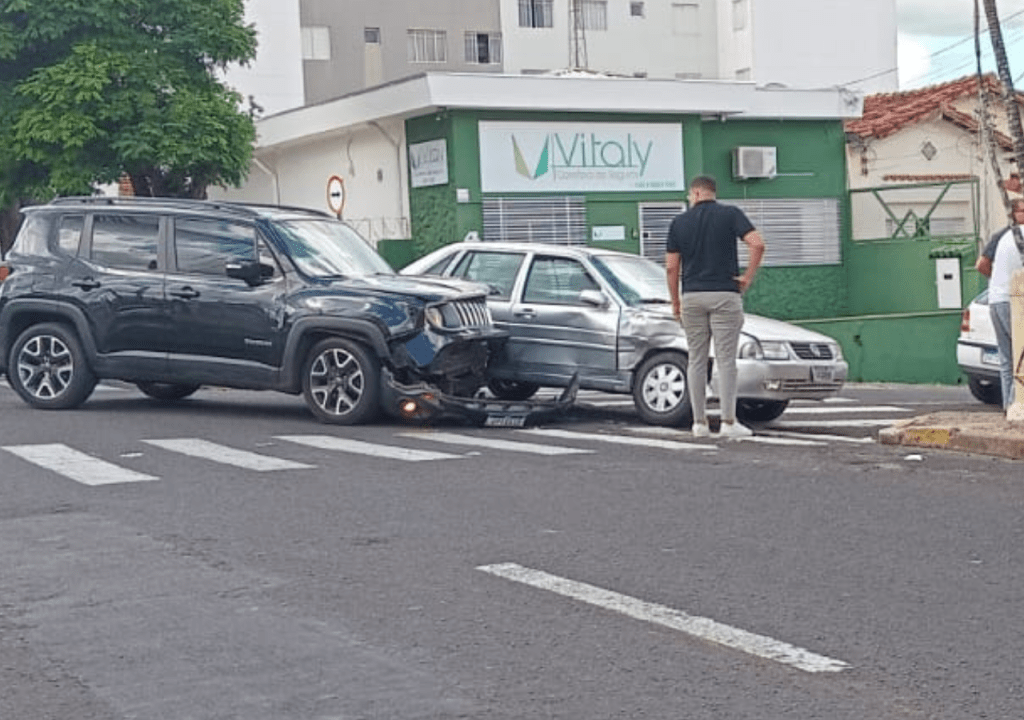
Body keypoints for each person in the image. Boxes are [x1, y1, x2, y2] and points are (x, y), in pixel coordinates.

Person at [665, 175, 766, 439]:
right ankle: (728, 422)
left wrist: (675, 302)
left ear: (697, 193)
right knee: (726, 360)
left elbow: (671, 267)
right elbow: (757, 243)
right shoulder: (730, 214)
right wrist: (747, 277)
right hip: (724, 294)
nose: (689, 198)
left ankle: (699, 423)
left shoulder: (678, 222)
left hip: (692, 296)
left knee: (696, 360)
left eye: (690, 194)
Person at [988, 201, 1024, 410]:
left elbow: (983, 264)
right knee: (1020, 356)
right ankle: (1015, 407)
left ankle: (1008, 407)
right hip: (1013, 301)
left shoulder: (1005, 235)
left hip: (995, 298)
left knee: (1007, 359)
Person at [976, 198, 1024, 277]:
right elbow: (982, 265)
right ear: (1013, 214)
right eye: (1023, 210)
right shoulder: (1002, 236)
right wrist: (1000, 279)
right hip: (1011, 286)